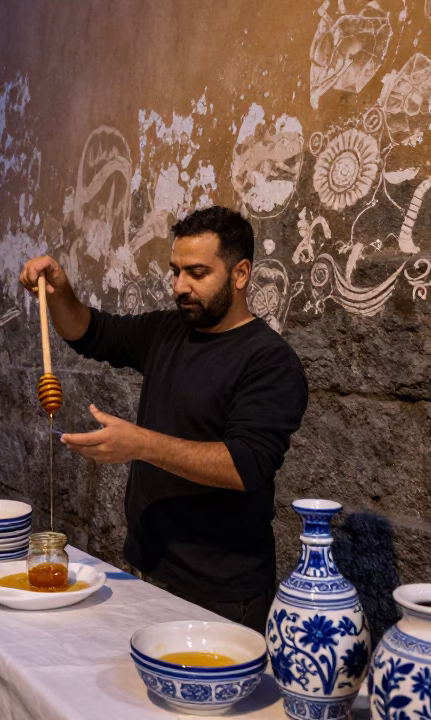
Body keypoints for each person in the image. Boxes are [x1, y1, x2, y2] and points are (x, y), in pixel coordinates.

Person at [19, 206, 308, 632]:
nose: (180, 287)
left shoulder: (269, 361)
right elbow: (89, 332)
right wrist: (60, 291)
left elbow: (246, 465)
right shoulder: (167, 331)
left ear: (240, 273)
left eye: (196, 273)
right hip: (149, 567)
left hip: (222, 592)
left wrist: (140, 445)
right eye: (175, 272)